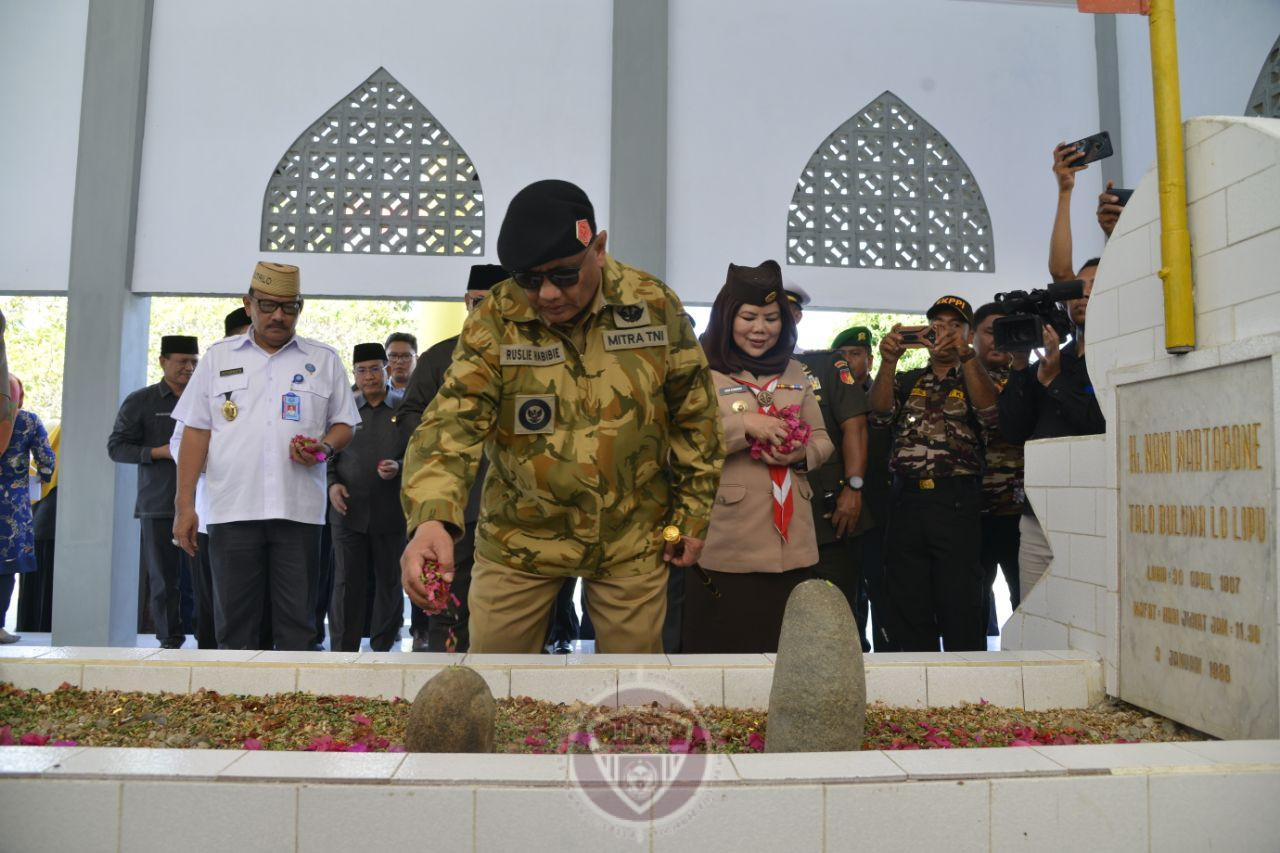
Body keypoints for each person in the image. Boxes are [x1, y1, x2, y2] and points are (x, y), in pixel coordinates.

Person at [399, 179, 723, 654]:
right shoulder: (495, 319)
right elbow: (452, 423)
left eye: (564, 275)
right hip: (518, 539)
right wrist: (431, 520)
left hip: (630, 537)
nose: (547, 293)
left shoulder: (653, 307)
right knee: (495, 688)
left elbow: (696, 416)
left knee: (630, 697)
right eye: (529, 279)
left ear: (600, 248)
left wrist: (691, 515)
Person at [173, 262, 359, 650]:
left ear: (300, 308)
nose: (278, 315)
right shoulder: (216, 358)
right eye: (268, 305)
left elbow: (345, 424)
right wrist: (185, 506)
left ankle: (297, 707)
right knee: (235, 626)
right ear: (248, 304)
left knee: (299, 627)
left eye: (289, 307)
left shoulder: (323, 360)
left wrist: (323, 448)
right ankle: (235, 706)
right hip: (231, 511)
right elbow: (195, 432)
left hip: (299, 514)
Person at [685, 260, 833, 653]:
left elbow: (822, 439)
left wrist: (801, 455)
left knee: (789, 654)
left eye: (771, 318)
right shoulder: (700, 372)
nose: (760, 329)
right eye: (748, 317)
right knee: (727, 653)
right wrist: (744, 426)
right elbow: (679, 445)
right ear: (726, 317)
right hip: (729, 543)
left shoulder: (796, 371)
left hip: (794, 544)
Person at [869, 295, 999, 652]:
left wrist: (967, 357)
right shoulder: (910, 379)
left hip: (956, 499)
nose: (946, 332)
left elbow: (990, 414)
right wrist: (888, 363)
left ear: (969, 334)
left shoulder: (981, 375)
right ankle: (917, 690)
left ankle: (968, 690)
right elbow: (879, 417)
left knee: (960, 597)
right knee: (908, 597)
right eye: (938, 324)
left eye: (955, 325)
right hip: (907, 499)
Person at [397, 263, 507, 652]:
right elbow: (411, 413)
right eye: (478, 302)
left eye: (496, 302)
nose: (486, 311)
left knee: (504, 607)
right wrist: (447, 442)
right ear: (466, 301)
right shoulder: (439, 357)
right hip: (454, 504)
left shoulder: (524, 357)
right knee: (448, 593)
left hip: (511, 508)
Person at [108, 335, 200, 649]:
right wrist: (159, 452)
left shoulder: (206, 399)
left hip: (207, 504)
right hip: (158, 502)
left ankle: (209, 638)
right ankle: (169, 639)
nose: (188, 368)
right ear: (163, 362)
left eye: (193, 362)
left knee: (204, 579)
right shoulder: (141, 401)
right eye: (181, 362)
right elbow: (117, 448)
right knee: (163, 579)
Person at [327, 343, 408, 652]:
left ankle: (383, 647)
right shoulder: (343, 410)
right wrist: (332, 484)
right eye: (362, 370)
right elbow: (327, 452)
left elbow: (421, 452)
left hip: (392, 510)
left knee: (389, 581)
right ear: (355, 374)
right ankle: (342, 650)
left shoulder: (405, 407)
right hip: (347, 509)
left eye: (376, 368)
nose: (369, 376)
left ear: (387, 370)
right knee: (347, 582)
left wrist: (399, 466)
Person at [796, 335, 869, 640]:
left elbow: (856, 427)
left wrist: (853, 487)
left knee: (838, 616)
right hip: (766, 518)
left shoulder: (824, 364)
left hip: (826, 514)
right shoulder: (732, 368)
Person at [970, 303, 1027, 633]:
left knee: (1026, 598)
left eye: (1005, 332)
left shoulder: (1031, 377)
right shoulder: (959, 379)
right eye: (991, 332)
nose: (997, 340)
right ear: (973, 336)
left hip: (1020, 513)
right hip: (972, 511)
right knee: (972, 602)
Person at [0, 378, 55, 643]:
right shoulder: (28, 421)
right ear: (17, 396)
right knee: (5, 567)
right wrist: (43, 476)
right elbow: (46, 459)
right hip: (12, 507)